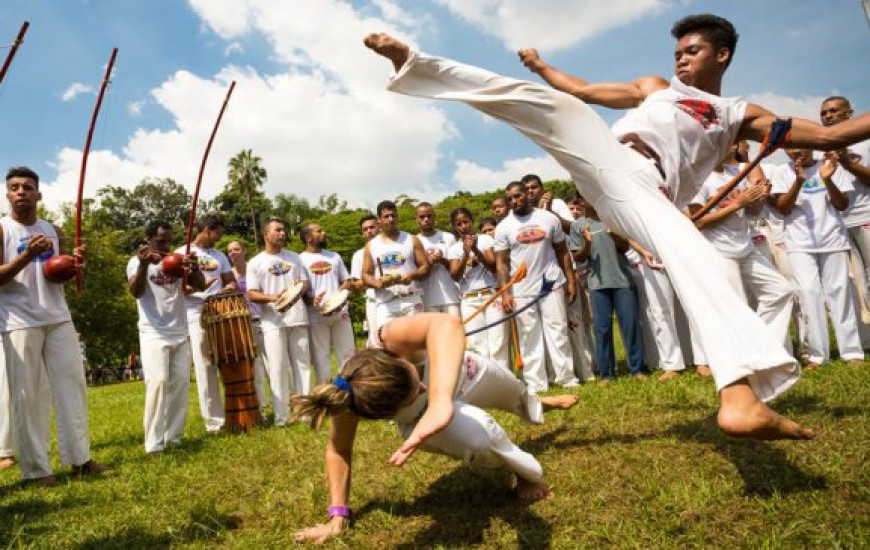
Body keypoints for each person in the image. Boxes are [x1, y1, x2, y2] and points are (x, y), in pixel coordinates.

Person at [363, 11, 870, 438]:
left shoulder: (739, 113)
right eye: (678, 52)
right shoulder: (655, 88)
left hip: (647, 193)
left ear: (722, 55)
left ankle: (739, 399)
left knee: (704, 264)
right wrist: (542, 66)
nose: (680, 59)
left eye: (692, 51)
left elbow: (834, 135)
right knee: (556, 104)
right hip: (608, 157)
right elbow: (582, 90)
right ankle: (414, 64)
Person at [292, 313, 579, 545]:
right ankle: (526, 474)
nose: (422, 388)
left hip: (466, 375)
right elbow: (339, 450)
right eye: (414, 394)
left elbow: (446, 323)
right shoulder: (351, 399)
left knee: (517, 394)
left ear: (396, 357)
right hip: (423, 422)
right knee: (479, 440)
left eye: (414, 379)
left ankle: (539, 404)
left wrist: (440, 400)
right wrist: (338, 515)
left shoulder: (388, 337)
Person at [0, 166, 108, 484]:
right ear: (7, 195)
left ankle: (79, 458)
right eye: (15, 187)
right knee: (28, 396)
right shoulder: (3, 230)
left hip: (58, 317)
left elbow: (60, 277)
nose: (21, 191)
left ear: (39, 194)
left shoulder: (53, 230)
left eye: (27, 187)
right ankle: (36, 470)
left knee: (72, 386)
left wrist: (74, 265)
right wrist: (25, 256)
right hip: (19, 321)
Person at [687, 143, 795, 363]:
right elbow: (697, 221)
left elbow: (753, 212)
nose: (733, 145)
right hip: (719, 252)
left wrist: (758, 197)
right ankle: (741, 362)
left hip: (745, 247)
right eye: (728, 141)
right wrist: (737, 204)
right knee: (737, 307)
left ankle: (763, 350)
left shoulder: (735, 172)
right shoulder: (698, 178)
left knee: (781, 291)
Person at [771, 150, 862, 368]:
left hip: (833, 240)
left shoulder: (830, 165)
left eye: (799, 146)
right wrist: (798, 182)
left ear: (811, 145)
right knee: (808, 294)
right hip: (799, 244)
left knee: (840, 292)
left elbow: (842, 204)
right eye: (789, 148)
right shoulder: (782, 171)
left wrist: (827, 180)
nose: (795, 151)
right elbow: (783, 208)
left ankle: (851, 352)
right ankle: (817, 355)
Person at [128, 220, 206, 453]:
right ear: (149, 240)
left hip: (180, 330)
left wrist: (194, 268)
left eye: (169, 241)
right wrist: (144, 265)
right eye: (161, 241)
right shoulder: (135, 262)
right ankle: (154, 444)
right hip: (153, 332)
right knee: (158, 383)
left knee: (180, 384)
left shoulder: (177, 260)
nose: (166, 246)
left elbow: (200, 286)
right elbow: (136, 291)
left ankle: (174, 438)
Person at [493, 181, 579, 392]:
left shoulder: (548, 218)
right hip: (521, 289)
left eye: (517, 196)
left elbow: (562, 251)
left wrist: (570, 280)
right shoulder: (504, 227)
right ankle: (536, 384)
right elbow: (501, 264)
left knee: (558, 331)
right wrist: (505, 293)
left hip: (551, 283)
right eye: (510, 199)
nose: (514, 201)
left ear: (526, 194)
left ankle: (567, 379)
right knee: (528, 336)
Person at [570, 195, 646, 382]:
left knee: (630, 326)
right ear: (581, 201)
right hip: (597, 285)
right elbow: (578, 258)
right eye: (588, 195)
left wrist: (613, 233)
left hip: (623, 281)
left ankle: (637, 369)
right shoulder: (578, 226)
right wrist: (587, 243)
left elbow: (626, 247)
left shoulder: (613, 218)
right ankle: (607, 373)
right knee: (602, 329)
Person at [246, 219, 312, 426]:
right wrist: (273, 297)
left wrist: (297, 290)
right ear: (266, 235)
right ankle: (281, 416)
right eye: (278, 230)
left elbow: (305, 282)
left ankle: (305, 412)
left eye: (284, 230)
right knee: (277, 368)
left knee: (302, 365)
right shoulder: (255, 262)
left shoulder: (294, 257)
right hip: (272, 321)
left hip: (298, 317)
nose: (283, 233)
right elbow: (251, 293)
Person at [178, 214, 236, 434]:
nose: (219, 238)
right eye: (218, 233)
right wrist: (198, 288)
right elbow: (176, 289)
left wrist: (227, 289)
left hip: (219, 309)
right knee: (205, 365)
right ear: (207, 230)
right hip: (194, 311)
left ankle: (234, 411)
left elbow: (230, 282)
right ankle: (214, 422)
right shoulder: (181, 253)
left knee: (226, 360)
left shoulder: (219, 256)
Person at [447, 207, 508, 369]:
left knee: (498, 340)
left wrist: (475, 250)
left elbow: (493, 266)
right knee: (477, 343)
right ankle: (486, 376)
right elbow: (455, 275)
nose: (463, 227)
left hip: (491, 295)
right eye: (459, 224)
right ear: (454, 227)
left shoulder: (485, 240)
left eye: (466, 222)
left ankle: (503, 378)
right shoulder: (454, 248)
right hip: (469, 299)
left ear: (472, 221)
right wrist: (466, 254)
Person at [299, 222, 355, 383]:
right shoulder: (300, 260)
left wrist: (339, 297)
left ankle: (348, 391)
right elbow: (300, 291)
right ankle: (326, 394)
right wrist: (313, 300)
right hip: (316, 315)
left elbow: (347, 280)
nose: (324, 233)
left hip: (340, 313)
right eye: (319, 231)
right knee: (321, 359)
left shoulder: (334, 256)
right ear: (308, 238)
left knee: (348, 356)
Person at [362, 201, 430, 330]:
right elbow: (365, 275)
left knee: (415, 338)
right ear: (379, 220)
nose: (391, 219)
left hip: (411, 298)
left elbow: (425, 266)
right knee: (388, 339)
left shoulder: (412, 239)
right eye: (386, 216)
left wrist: (411, 275)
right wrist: (377, 283)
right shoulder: (371, 245)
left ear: (397, 217)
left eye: (393, 215)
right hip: (386, 302)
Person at [227, 240, 269, 415]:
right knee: (254, 366)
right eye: (229, 251)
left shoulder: (256, 269)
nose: (233, 253)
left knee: (273, 362)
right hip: (242, 323)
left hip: (264, 319)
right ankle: (261, 405)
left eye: (236, 249)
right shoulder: (228, 275)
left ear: (245, 251)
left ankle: (284, 401)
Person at [414, 202, 461, 316]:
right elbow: (416, 272)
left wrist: (442, 260)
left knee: (454, 327)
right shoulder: (414, 240)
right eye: (422, 217)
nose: (426, 219)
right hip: (427, 298)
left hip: (451, 297)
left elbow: (456, 268)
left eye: (429, 216)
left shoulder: (449, 237)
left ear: (434, 216)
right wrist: (429, 263)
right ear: (416, 219)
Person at [348, 215, 379, 347]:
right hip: (373, 300)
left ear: (379, 227)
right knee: (377, 341)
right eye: (365, 229)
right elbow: (357, 286)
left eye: (372, 227)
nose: (369, 231)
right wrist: (374, 281)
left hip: (398, 297)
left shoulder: (393, 246)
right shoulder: (358, 255)